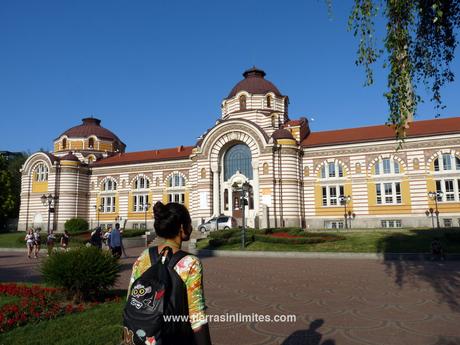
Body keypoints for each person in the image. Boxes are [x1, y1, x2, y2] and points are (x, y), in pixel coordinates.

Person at [127, 201, 212, 345]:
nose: (191, 227)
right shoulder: (190, 263)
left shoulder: (144, 256)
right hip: (174, 337)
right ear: (181, 227)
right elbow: (196, 315)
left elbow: (131, 296)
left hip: (143, 335)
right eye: (189, 223)